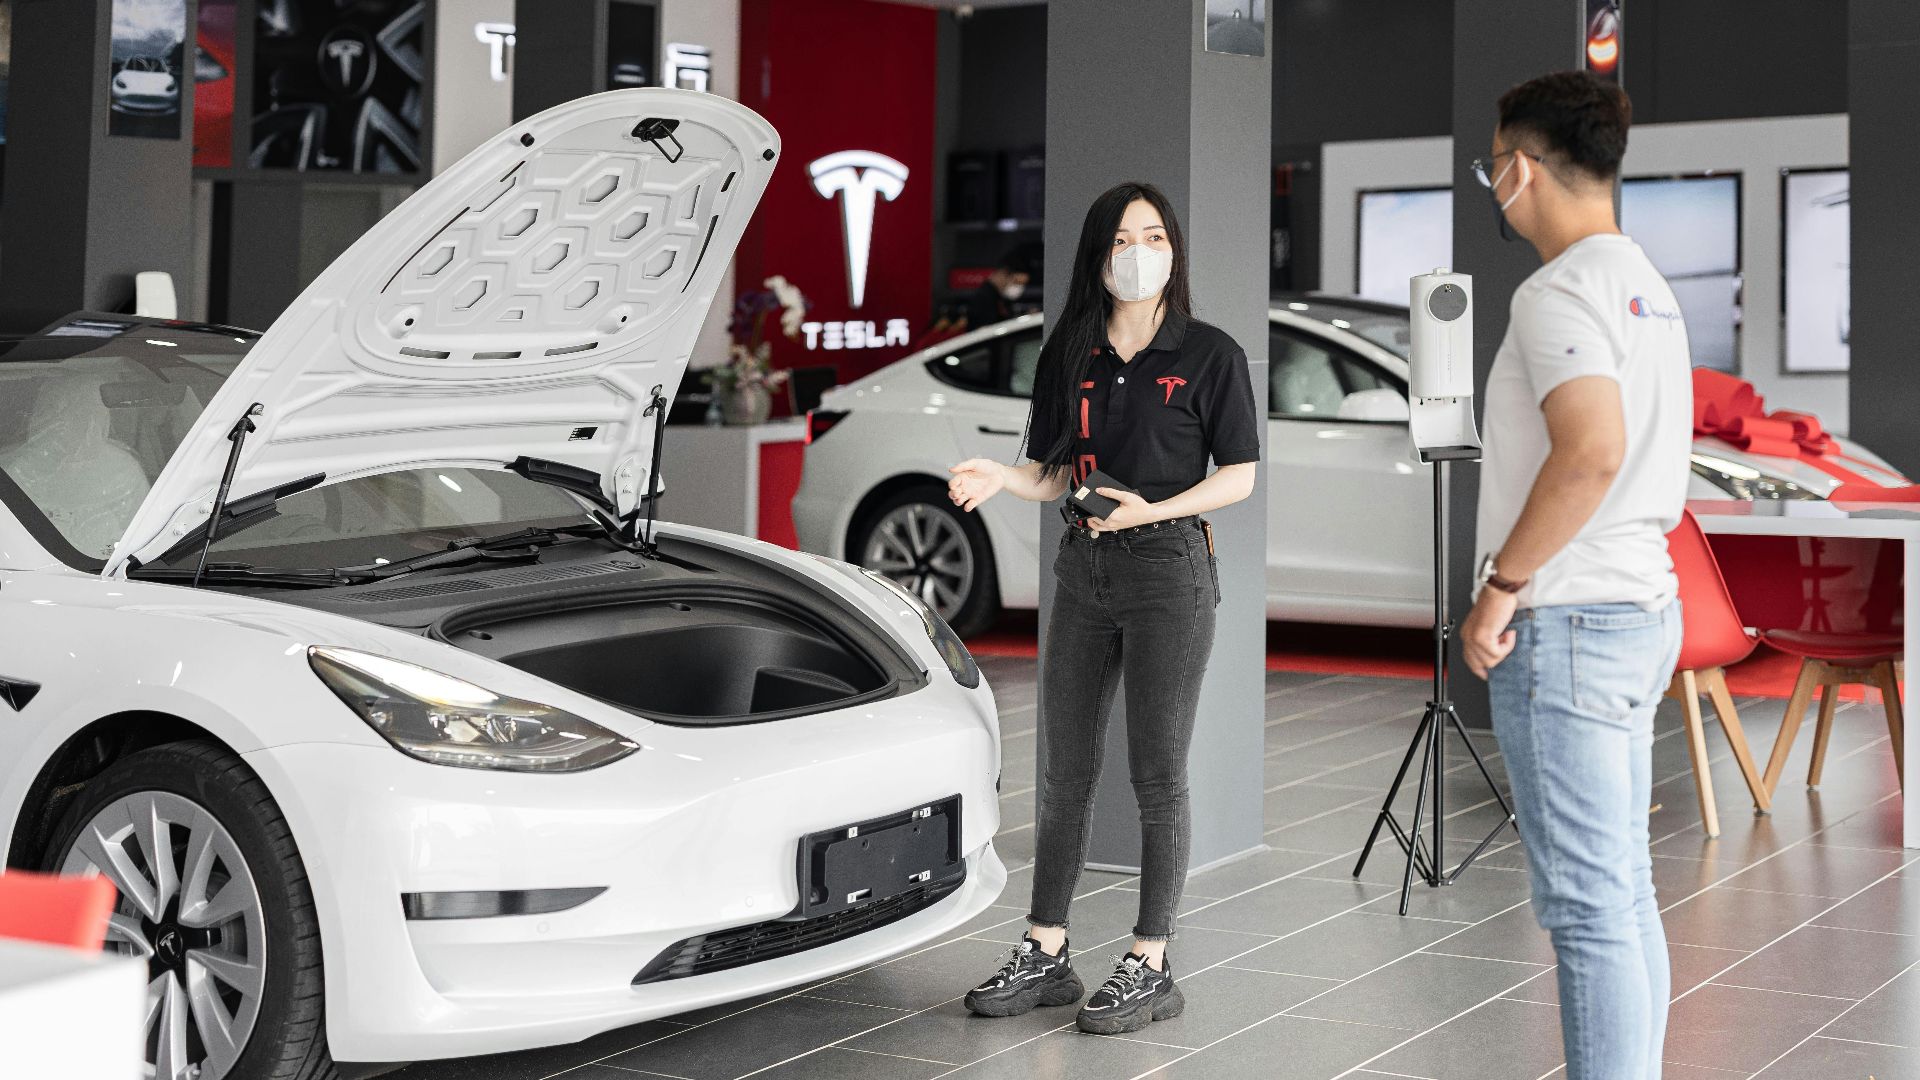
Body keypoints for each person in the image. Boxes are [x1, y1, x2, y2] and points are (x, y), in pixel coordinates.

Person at [946, 182, 1260, 1035]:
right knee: (1066, 770)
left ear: (1173, 252)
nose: (1140, 252)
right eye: (1124, 238)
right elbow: (1056, 471)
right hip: (1083, 572)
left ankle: (1150, 959)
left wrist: (1149, 511)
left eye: (1155, 236)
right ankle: (1046, 949)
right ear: (1097, 256)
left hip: (1169, 573)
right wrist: (1001, 477)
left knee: (1157, 775)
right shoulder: (1073, 352)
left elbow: (1239, 476)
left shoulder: (1211, 354)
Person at [1459, 71, 1691, 1080]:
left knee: (1589, 910)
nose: (1493, 185)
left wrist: (1500, 587)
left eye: (1493, 165)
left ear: (1521, 165)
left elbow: (1589, 451)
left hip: (1571, 625)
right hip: (1641, 609)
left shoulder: (1558, 290)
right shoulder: (1646, 282)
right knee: (1623, 893)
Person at [963, 250, 1033, 330]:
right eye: (1016, 282)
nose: (1019, 288)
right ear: (1004, 274)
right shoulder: (983, 298)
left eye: (1023, 285)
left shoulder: (1001, 299)